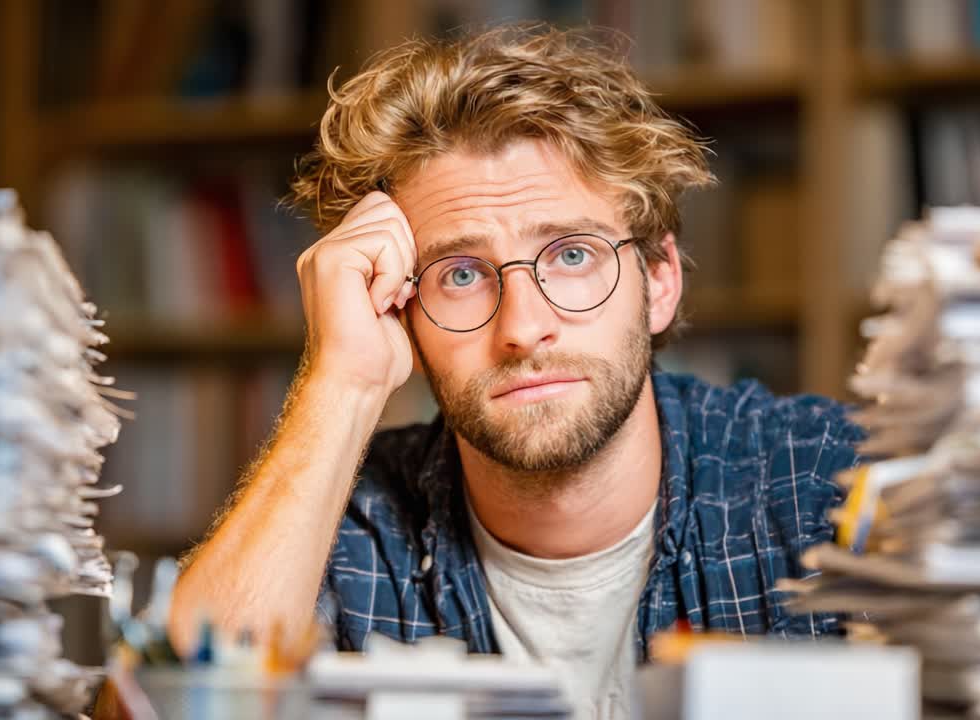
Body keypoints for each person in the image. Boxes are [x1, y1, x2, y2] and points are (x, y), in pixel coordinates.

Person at [170, 25, 862, 719]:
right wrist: (341, 382)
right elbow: (191, 700)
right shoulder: (350, 525)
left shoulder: (823, 485)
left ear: (659, 281)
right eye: (460, 274)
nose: (523, 328)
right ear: (399, 308)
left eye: (571, 255)